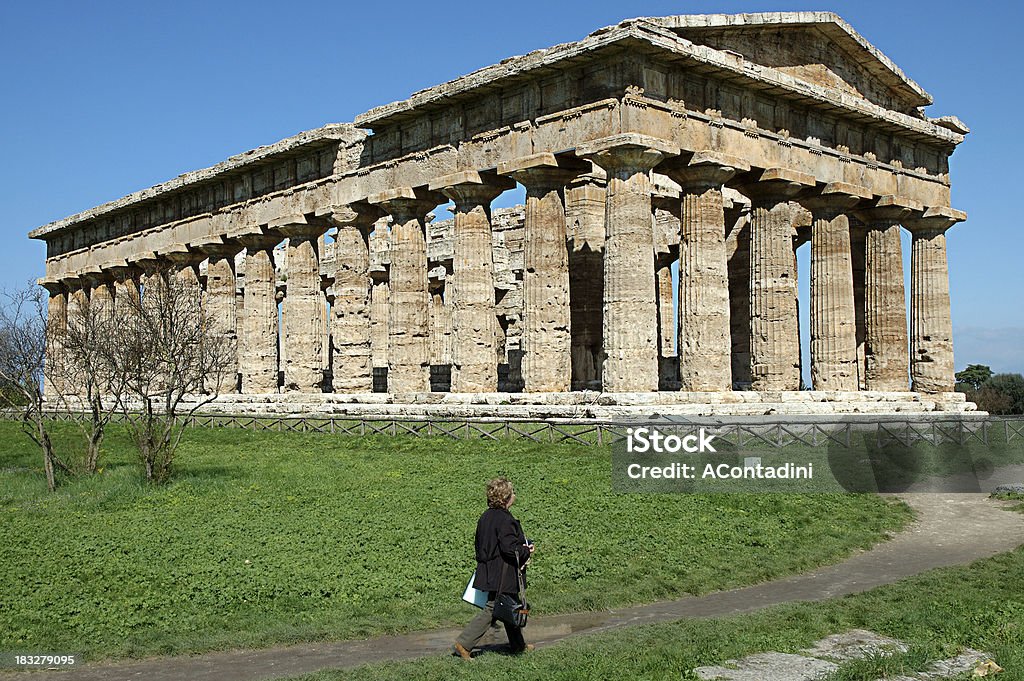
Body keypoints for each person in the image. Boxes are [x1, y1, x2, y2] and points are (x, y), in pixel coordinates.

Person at [453, 477, 536, 659]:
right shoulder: (505, 520)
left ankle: (517, 645)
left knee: (509, 605)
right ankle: (464, 643)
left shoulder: (486, 517)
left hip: (490, 568)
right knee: (494, 608)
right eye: (512, 492)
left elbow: (482, 544)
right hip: (503, 572)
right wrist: (525, 550)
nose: (514, 495)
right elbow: (508, 548)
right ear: (506, 497)